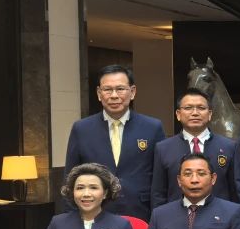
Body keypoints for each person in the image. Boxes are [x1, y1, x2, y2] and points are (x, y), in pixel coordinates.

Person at [64, 64, 165, 220]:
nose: (114, 95)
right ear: (99, 93)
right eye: (107, 90)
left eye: (120, 89)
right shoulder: (82, 129)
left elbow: (161, 178)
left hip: (141, 213)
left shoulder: (152, 127)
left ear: (132, 92)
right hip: (95, 213)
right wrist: (71, 219)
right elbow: (70, 177)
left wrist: (159, 218)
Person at [150, 89, 238, 210]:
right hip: (176, 216)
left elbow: (235, 190)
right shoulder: (163, 148)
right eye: (188, 108)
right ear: (178, 114)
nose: (195, 113)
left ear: (210, 114)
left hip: (220, 216)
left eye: (201, 108)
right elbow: (158, 193)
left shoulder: (229, 147)